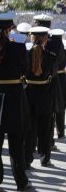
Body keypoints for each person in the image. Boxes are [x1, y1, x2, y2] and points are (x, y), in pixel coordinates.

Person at [0, 13, 31, 192]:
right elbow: (25, 68)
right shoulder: (18, 47)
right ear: (10, 28)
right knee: (16, 143)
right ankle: (21, 181)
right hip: (14, 96)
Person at [25, 26, 57, 167]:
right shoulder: (51, 56)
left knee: (29, 129)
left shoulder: (25, 55)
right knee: (45, 129)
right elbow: (54, 75)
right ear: (45, 39)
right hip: (45, 95)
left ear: (32, 38)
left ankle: (27, 158)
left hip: (28, 95)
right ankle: (45, 158)